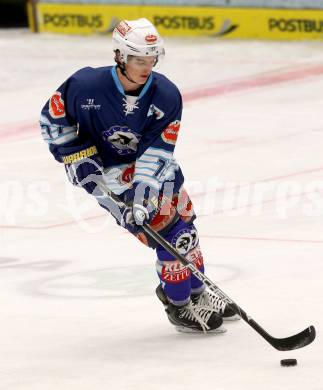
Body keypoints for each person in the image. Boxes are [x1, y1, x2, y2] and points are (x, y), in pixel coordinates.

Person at [40, 18, 238, 333]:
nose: (146, 66)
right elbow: (53, 119)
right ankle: (178, 304)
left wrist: (143, 193)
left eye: (151, 59)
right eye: (138, 59)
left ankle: (198, 294)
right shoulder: (84, 86)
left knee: (186, 224)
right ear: (120, 56)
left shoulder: (166, 94)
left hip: (155, 169)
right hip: (107, 174)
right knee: (168, 233)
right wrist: (78, 159)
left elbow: (158, 150)